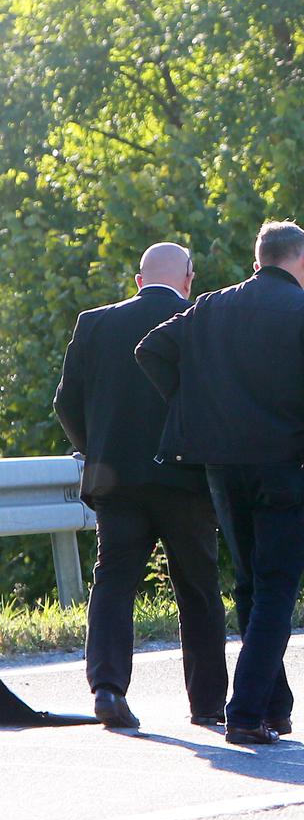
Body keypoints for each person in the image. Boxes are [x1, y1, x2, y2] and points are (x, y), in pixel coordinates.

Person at [136, 221, 304, 746]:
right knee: (276, 588)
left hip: (222, 464)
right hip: (284, 461)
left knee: (252, 583)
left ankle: (275, 706)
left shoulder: (212, 305)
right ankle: (248, 710)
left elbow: (151, 350)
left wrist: (194, 410)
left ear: (258, 261)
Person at [53, 243, 227, 729]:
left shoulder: (95, 323)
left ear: (137, 280)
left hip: (118, 480)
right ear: (189, 278)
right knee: (197, 587)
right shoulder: (201, 320)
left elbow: (66, 403)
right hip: (185, 479)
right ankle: (208, 702)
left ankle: (107, 689)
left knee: (113, 581)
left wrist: (98, 447)